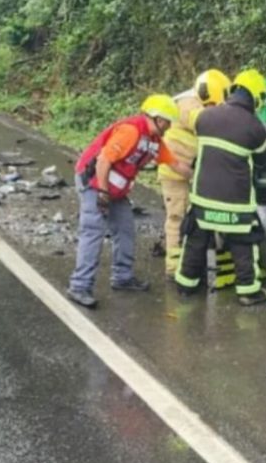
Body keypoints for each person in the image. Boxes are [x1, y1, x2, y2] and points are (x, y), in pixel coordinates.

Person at [66, 94, 187, 308]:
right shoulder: (131, 131)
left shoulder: (155, 142)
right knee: (93, 231)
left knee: (125, 229)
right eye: (167, 122)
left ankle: (122, 276)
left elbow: (176, 165)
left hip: (116, 189)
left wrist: (200, 175)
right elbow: (103, 161)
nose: (169, 127)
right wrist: (103, 193)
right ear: (158, 119)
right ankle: (79, 286)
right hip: (95, 182)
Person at [175, 69, 266, 306]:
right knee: (243, 246)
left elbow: (186, 118)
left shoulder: (205, 117)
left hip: (203, 199)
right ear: (257, 98)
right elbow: (264, 160)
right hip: (236, 204)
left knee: (195, 241)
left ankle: (186, 285)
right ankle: (248, 291)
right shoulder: (256, 128)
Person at [159, 69, 230, 276]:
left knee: (194, 217)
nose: (214, 108)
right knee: (176, 217)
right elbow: (204, 122)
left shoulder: (199, 101)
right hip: (174, 172)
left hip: (192, 170)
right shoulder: (188, 104)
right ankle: (174, 267)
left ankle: (190, 261)